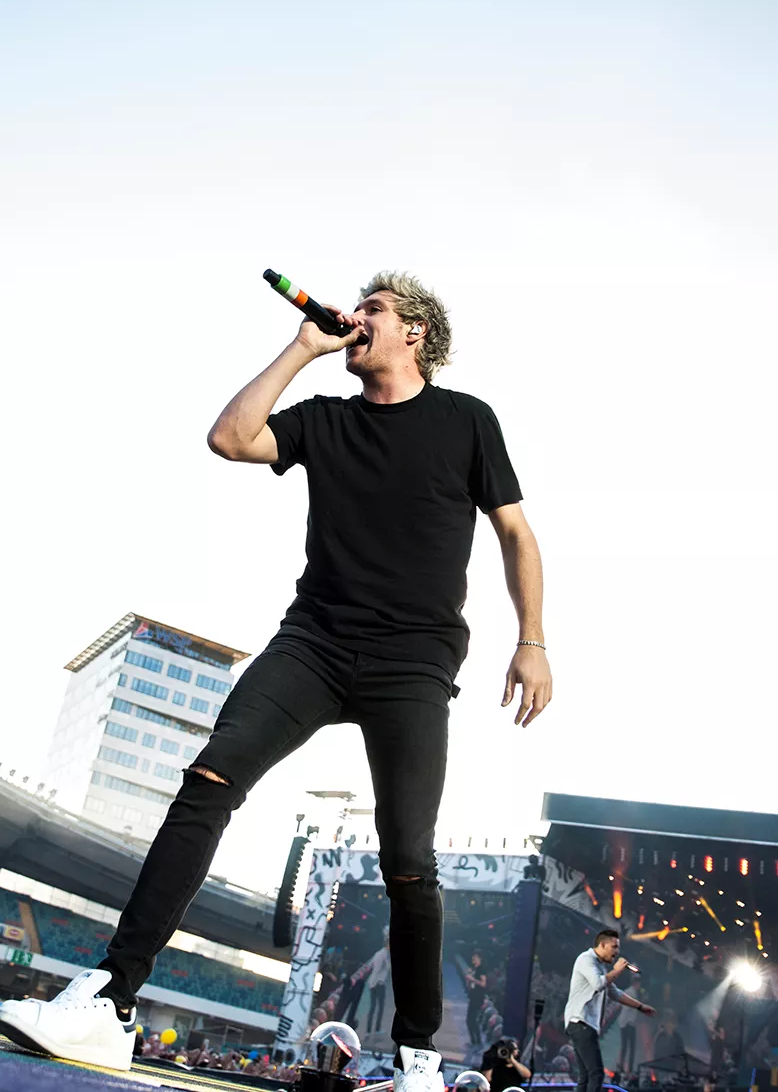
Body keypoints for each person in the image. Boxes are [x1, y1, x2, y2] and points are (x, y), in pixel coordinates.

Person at [0, 271, 553, 1092]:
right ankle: (111, 1001)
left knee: (408, 858)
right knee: (208, 780)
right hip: (313, 644)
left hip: (414, 661)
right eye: (356, 307)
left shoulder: (467, 420)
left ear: (416, 334)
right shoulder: (325, 419)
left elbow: (516, 532)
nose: (355, 316)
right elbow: (230, 438)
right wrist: (302, 348)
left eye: (374, 310)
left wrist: (532, 640)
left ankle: (418, 1062)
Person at [564, 930, 656, 1092]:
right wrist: (618, 970)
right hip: (581, 1022)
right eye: (614, 947)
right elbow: (598, 984)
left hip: (584, 1024)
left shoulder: (600, 966)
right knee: (596, 1073)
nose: (617, 951)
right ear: (602, 945)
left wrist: (640, 1007)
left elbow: (615, 993)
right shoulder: (586, 959)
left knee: (586, 1075)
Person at [465, 950, 488, 1046]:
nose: (473, 959)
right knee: (469, 1020)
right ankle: (473, 1041)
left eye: (475, 957)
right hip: (473, 996)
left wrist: (473, 979)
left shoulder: (481, 969)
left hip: (478, 998)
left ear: (480, 959)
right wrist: (468, 979)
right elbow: (469, 985)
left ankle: (477, 1041)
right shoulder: (473, 969)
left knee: (473, 1020)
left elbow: (483, 984)